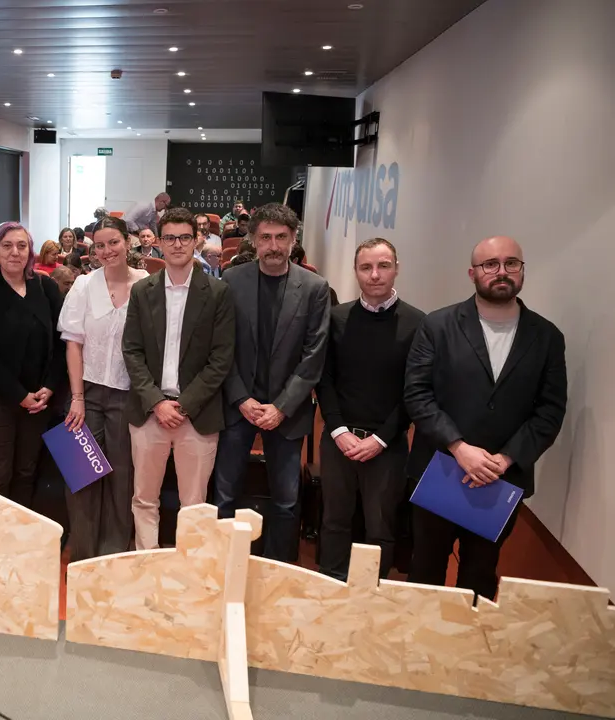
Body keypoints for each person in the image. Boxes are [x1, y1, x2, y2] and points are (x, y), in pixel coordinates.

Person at [404, 236, 566, 601]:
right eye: (490, 264)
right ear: (472, 273)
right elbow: (417, 394)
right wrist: (459, 448)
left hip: (501, 480)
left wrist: (504, 459)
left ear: (522, 271)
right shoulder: (438, 325)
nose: (502, 272)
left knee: (480, 574)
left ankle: (469, 652)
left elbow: (550, 410)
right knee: (425, 570)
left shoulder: (547, 337)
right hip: (440, 469)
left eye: (512, 263)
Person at [214, 203, 330, 563]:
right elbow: (222, 349)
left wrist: (281, 407)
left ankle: (280, 567)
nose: (274, 245)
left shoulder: (314, 288)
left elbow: (314, 356)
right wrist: (240, 399)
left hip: (287, 411)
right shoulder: (232, 281)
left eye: (282, 237)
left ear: (294, 240)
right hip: (239, 406)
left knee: (286, 499)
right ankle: (225, 564)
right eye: (266, 237)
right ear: (253, 240)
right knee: (225, 494)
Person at [122, 207, 236, 551]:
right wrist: (157, 402)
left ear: (196, 239)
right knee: (144, 500)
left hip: (196, 416)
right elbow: (132, 351)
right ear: (158, 241)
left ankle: (189, 576)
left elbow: (221, 359)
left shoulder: (217, 292)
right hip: (149, 413)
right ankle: (147, 567)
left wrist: (182, 406)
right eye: (169, 237)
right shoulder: (143, 291)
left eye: (184, 237)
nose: (177, 244)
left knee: (195, 508)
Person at [315, 239, 425, 580]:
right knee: (334, 520)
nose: (375, 275)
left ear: (396, 268)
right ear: (356, 271)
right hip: (339, 439)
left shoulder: (419, 323)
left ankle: (372, 592)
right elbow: (325, 379)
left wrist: (381, 438)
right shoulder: (337, 318)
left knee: (381, 526)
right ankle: (330, 586)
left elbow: (414, 391)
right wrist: (337, 430)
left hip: (387, 444)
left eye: (383, 266)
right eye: (366, 267)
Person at [59, 216, 148, 561]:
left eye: (114, 243)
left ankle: (112, 556)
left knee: (121, 476)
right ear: (92, 249)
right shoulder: (83, 285)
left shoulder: (145, 284)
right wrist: (77, 398)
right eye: (99, 245)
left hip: (128, 394)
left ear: (128, 243)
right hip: (87, 393)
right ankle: (83, 554)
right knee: (80, 475)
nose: (107, 250)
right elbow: (73, 344)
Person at [0, 222, 66, 508]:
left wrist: (49, 386)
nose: (15, 252)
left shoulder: (46, 288)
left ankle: (22, 540)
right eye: (7, 246)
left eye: (21, 246)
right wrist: (19, 396)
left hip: (39, 400)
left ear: (30, 252)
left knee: (27, 472)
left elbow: (64, 342)